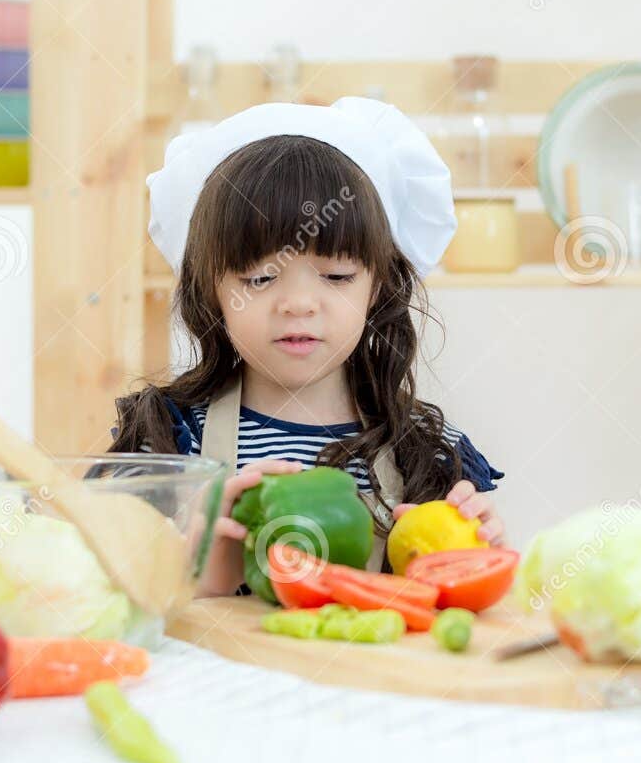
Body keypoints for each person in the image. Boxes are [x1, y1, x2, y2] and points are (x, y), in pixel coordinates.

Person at [111, 97, 505, 597]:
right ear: (211, 290)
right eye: (259, 278)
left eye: (337, 275)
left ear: (379, 286)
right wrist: (203, 571)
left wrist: (480, 556)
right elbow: (110, 598)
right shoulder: (168, 441)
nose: (297, 304)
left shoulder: (429, 453)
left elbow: (456, 613)